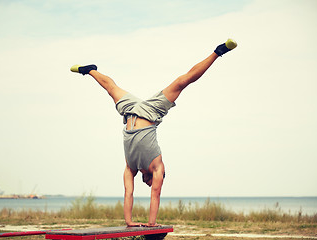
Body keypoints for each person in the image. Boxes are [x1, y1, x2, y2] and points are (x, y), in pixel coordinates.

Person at [70, 39, 237, 227]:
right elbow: (156, 194)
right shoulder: (158, 167)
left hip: (130, 111)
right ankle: (218, 52)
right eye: (151, 183)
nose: (149, 185)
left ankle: (89, 70)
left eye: (149, 184)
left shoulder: (130, 167)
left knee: (111, 89)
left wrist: (129, 221)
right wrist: (152, 223)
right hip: (151, 111)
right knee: (183, 81)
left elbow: (128, 193)